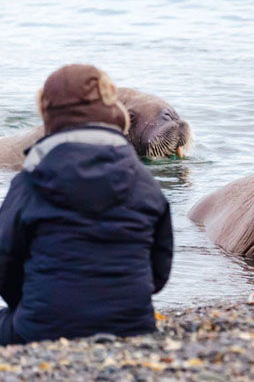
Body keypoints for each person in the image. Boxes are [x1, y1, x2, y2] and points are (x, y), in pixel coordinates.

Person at [0, 64, 173, 345]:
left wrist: (31, 304)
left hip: (42, 329)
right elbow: (159, 270)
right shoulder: (145, 183)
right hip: (134, 327)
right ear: (114, 114)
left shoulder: (30, 181)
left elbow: (5, 262)